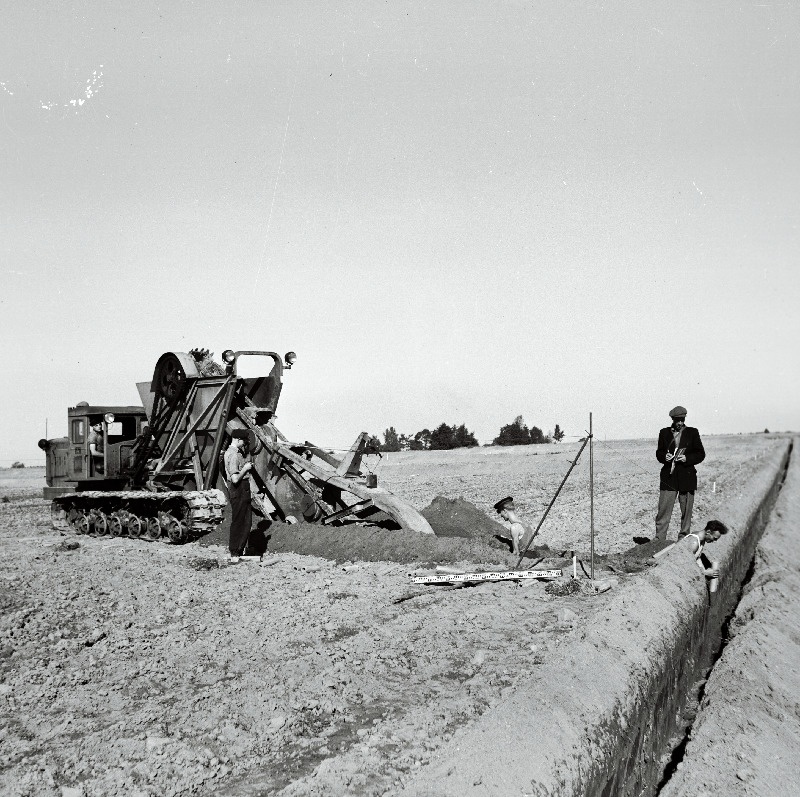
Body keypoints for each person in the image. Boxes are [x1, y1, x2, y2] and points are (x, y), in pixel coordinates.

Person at [655, 406, 705, 541]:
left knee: (686, 512)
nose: (680, 423)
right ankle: (659, 540)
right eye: (677, 420)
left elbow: (701, 454)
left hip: (687, 478)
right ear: (672, 419)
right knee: (663, 511)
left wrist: (687, 458)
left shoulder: (692, 432)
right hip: (668, 478)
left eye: (682, 420)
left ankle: (683, 539)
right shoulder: (664, 433)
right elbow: (659, 452)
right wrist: (664, 456)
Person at [224, 429, 254, 563]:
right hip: (238, 488)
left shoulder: (234, 453)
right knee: (239, 521)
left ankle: (238, 551)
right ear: (237, 440)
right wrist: (245, 469)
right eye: (244, 441)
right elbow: (235, 479)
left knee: (246, 521)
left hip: (242, 489)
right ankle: (235, 552)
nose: (245, 443)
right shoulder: (234, 455)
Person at [685, 520, 728, 588]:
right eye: (714, 538)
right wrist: (704, 573)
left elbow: (697, 558)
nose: (715, 541)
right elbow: (685, 566)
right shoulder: (694, 543)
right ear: (708, 532)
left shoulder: (701, 539)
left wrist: (704, 571)